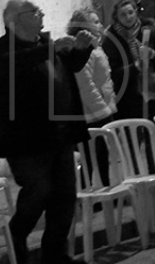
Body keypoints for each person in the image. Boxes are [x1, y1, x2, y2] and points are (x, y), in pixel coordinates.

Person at [0, 0, 93, 264]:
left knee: (65, 197)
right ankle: (16, 240)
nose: (41, 14)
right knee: (39, 191)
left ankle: (55, 256)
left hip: (60, 134)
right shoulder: (0, 49)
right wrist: (51, 48)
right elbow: (15, 64)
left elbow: (72, 66)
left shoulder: (46, 45)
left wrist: (82, 49)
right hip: (26, 140)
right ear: (14, 20)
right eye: (34, 11)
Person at [67, 9, 116, 183]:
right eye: (94, 22)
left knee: (101, 154)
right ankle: (92, 192)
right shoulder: (84, 49)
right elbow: (85, 84)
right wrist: (102, 110)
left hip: (101, 107)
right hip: (91, 113)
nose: (100, 25)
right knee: (91, 156)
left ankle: (104, 187)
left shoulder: (95, 46)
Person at [102, 0, 155, 121]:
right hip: (128, 93)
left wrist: (153, 54)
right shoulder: (111, 38)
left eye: (131, 12)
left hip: (153, 88)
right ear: (117, 18)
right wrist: (135, 67)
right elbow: (112, 71)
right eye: (123, 14)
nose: (128, 17)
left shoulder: (149, 30)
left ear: (136, 12)